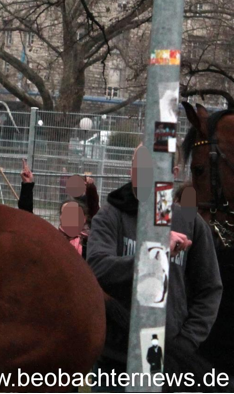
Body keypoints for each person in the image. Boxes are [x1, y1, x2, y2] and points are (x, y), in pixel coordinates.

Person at [87, 145, 222, 388]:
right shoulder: (112, 216)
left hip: (170, 363)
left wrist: (185, 343)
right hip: (116, 361)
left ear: (173, 172)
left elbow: (209, 289)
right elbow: (97, 270)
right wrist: (154, 255)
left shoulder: (191, 223)